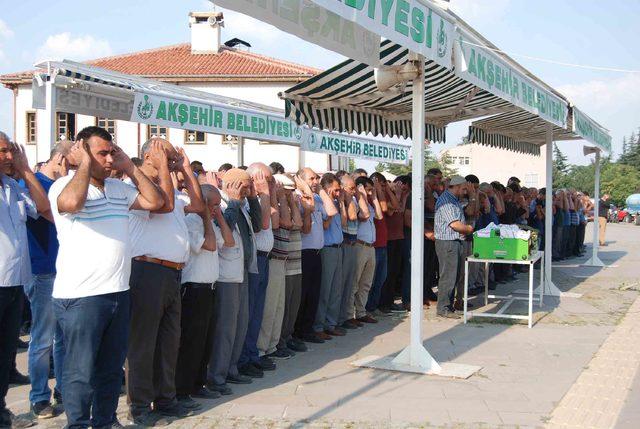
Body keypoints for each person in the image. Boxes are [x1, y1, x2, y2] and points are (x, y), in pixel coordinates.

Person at [49, 127, 163, 429]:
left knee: (111, 368)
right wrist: (84, 164)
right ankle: (77, 423)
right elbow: (71, 204)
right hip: (82, 296)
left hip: (118, 292)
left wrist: (130, 168)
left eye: (112, 152)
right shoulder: (62, 186)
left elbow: (156, 202)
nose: (110, 159)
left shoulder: (119, 189)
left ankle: (105, 420)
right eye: (102, 153)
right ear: (81, 152)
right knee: (80, 370)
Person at [126, 138, 205, 425]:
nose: (171, 161)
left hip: (172, 273)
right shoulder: (136, 185)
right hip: (147, 271)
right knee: (143, 343)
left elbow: (196, 205)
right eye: (167, 156)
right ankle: (139, 405)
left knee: (169, 342)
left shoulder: (170, 182)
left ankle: (165, 399)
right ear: (149, 155)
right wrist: (164, 169)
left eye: (173, 157)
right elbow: (162, 203)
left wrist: (185, 170)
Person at [1, 134, 51, 429]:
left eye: (11, 151)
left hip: (15, 281)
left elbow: (43, 207)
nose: (10, 156)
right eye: (3, 152)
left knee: (5, 354)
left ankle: (2, 413)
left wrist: (26, 172)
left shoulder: (13, 187)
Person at [22, 141, 72, 418]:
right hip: (42, 269)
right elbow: (47, 213)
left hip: (65, 269)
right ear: (61, 158)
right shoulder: (33, 182)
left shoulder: (65, 185)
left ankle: (63, 389)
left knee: (63, 337)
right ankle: (39, 396)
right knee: (42, 338)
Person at [174, 185, 234, 406]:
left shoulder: (209, 223)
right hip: (194, 288)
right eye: (214, 204)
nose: (218, 208)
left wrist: (216, 216)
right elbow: (208, 245)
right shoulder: (191, 222)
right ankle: (183, 389)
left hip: (209, 287)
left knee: (205, 341)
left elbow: (228, 241)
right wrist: (207, 217)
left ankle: (198, 384)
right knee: (191, 342)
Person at [207, 168, 262, 395]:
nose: (249, 189)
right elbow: (224, 228)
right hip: (226, 274)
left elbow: (257, 225)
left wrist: (250, 198)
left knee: (241, 324)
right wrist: (233, 203)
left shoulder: (242, 204)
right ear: (233, 185)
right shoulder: (221, 205)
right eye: (246, 185)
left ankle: (232, 368)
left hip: (244, 270)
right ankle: (216, 375)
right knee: (226, 327)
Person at [238, 163, 276, 378]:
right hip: (254, 260)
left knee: (258, 312)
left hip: (265, 259)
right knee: (250, 311)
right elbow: (261, 222)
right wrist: (263, 194)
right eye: (266, 179)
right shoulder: (250, 200)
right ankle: (245, 358)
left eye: (269, 180)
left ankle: (252, 355)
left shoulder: (262, 198)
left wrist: (266, 194)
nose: (269, 183)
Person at [294, 168, 337, 344]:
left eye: (316, 178)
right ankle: (298, 331)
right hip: (304, 252)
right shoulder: (297, 197)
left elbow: (332, 211)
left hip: (317, 251)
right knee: (303, 294)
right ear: (301, 180)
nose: (315, 180)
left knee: (314, 294)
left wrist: (319, 189)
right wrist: (304, 188)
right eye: (311, 178)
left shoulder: (318, 198)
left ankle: (308, 329)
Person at [256, 174, 294, 364]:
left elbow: (291, 222)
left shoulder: (280, 203)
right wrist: (275, 196)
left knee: (278, 308)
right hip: (270, 260)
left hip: (282, 260)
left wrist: (281, 199)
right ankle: (262, 349)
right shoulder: (266, 202)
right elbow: (279, 222)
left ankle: (272, 346)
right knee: (269, 308)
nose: (288, 192)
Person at [275, 174, 307, 354]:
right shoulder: (278, 205)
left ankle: (288, 337)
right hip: (285, 264)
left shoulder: (290, 205)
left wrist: (293, 202)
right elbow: (290, 223)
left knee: (293, 306)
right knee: (283, 308)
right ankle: (279, 341)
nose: (292, 194)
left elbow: (300, 223)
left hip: (296, 263)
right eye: (289, 191)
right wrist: (284, 199)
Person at [434, 175, 474, 318]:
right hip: (448, 242)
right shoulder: (446, 201)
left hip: (454, 242)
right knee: (448, 276)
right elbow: (455, 225)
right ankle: (443, 308)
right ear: (456, 186)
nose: (464, 192)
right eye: (463, 189)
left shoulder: (453, 200)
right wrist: (469, 229)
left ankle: (448, 306)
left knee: (454, 276)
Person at [314, 173, 346, 339]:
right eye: (335, 190)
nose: (338, 192)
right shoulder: (322, 202)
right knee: (325, 290)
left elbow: (344, 223)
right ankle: (319, 325)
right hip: (327, 249)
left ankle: (330, 323)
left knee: (336, 289)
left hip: (338, 248)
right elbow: (326, 225)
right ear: (326, 188)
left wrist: (340, 203)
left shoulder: (335, 203)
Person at [352, 176, 383, 324]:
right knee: (355, 282)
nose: (370, 193)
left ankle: (361, 311)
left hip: (371, 247)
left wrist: (375, 198)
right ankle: (349, 314)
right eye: (368, 189)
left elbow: (379, 215)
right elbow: (363, 217)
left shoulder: (369, 203)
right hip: (359, 246)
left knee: (366, 283)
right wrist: (361, 195)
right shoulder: (357, 202)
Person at [365, 173, 397, 316]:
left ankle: (373, 306)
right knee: (370, 281)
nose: (382, 188)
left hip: (383, 244)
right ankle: (366, 308)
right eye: (380, 185)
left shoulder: (379, 198)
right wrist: (377, 190)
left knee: (381, 278)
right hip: (374, 245)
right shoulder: (371, 199)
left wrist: (387, 190)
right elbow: (383, 208)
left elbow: (395, 207)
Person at [337, 174, 362, 330]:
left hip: (353, 244)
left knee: (350, 284)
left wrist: (352, 197)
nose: (354, 191)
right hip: (344, 244)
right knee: (341, 284)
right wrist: (344, 199)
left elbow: (359, 214)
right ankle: (339, 318)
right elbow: (350, 216)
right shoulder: (341, 202)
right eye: (351, 188)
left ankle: (345, 317)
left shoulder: (352, 201)